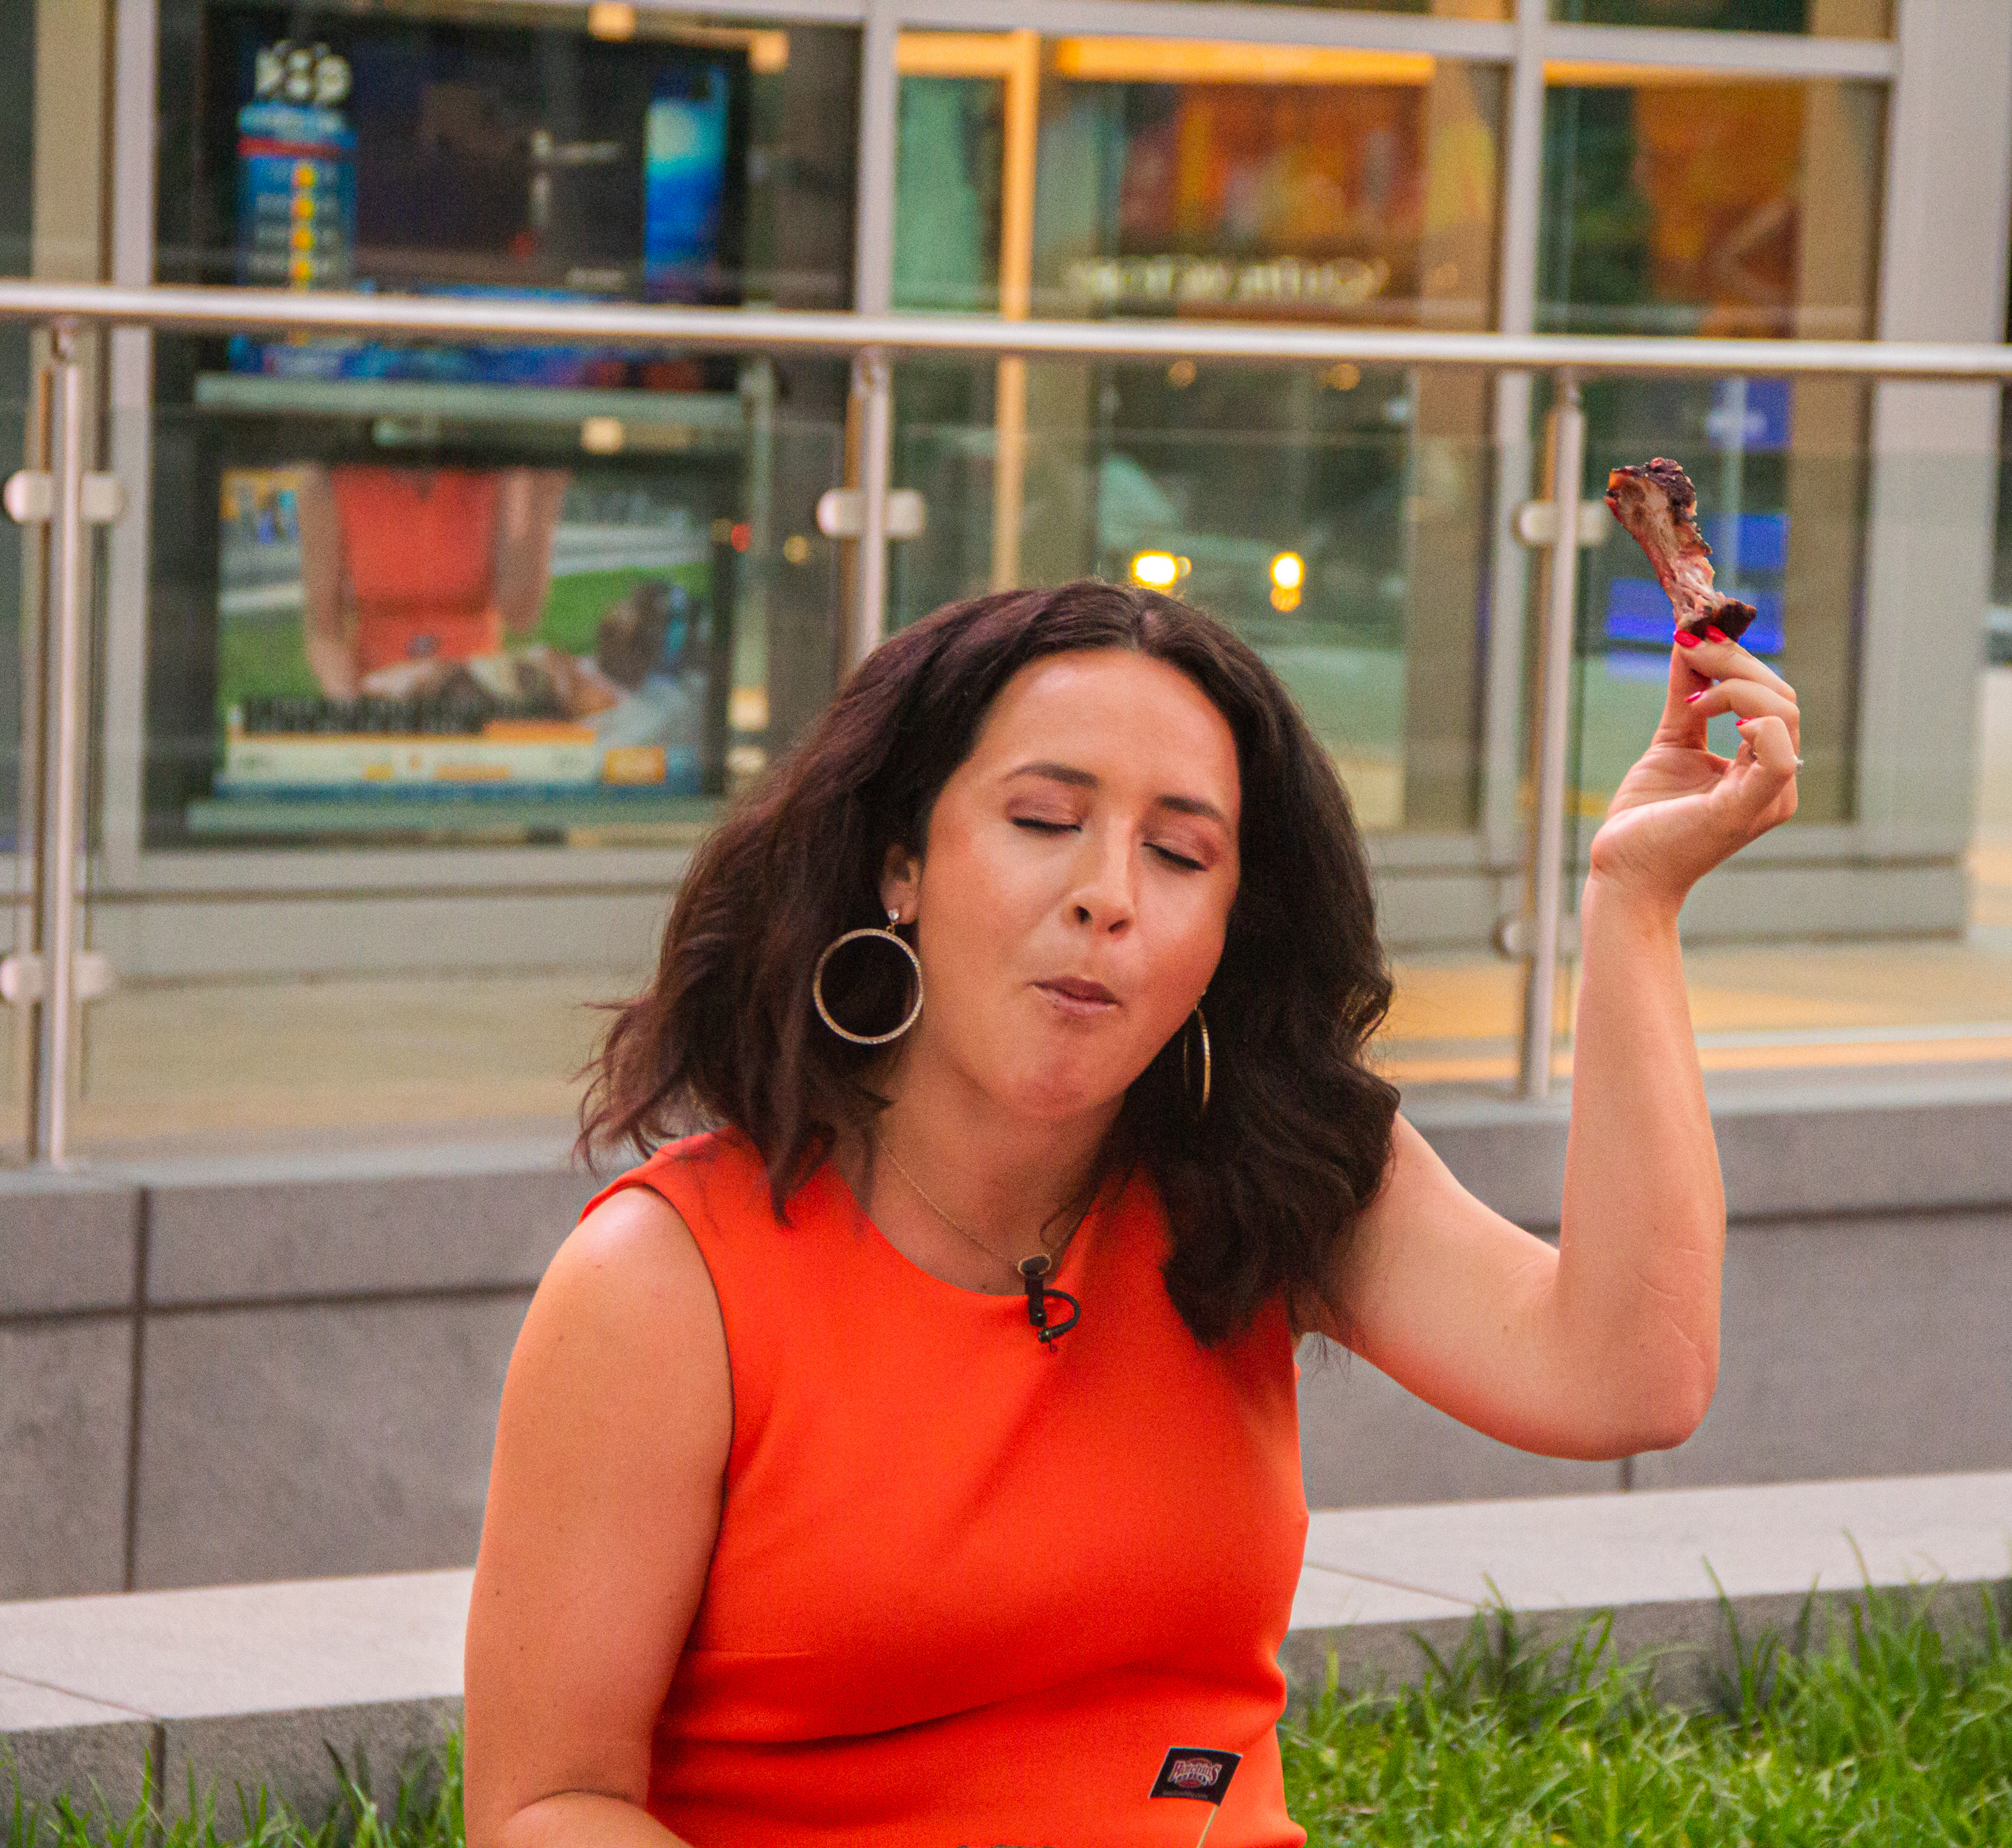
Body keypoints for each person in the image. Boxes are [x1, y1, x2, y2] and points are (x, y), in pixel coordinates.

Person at [463, 581, 1799, 1847]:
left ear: (1225, 926)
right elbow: (543, 1803)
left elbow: (1629, 1371)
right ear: (901, 868)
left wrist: (1635, 898)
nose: (1109, 891)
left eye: (1177, 851)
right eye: (1045, 821)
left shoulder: (1263, 1174)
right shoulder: (662, 1282)